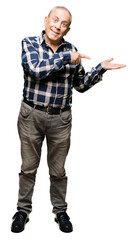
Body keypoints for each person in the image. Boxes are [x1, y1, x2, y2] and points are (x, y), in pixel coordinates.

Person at [11, 6, 126, 233]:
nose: (58, 26)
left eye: (63, 24)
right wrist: (65, 58)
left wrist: (100, 69)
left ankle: (60, 211)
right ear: (46, 21)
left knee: (58, 170)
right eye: (55, 20)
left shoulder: (72, 50)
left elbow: (80, 85)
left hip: (60, 119)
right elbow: (35, 69)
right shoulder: (30, 43)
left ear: (68, 29)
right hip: (31, 115)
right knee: (28, 168)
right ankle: (22, 211)